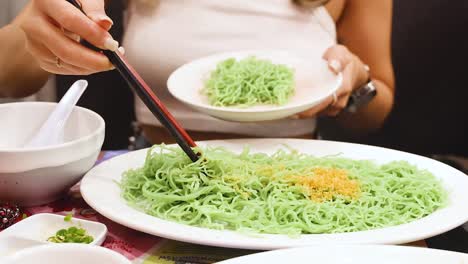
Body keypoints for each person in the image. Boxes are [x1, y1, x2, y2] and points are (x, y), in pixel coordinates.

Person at [1, 0, 394, 144]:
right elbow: (12, 76)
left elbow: (378, 112)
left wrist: (357, 87)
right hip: (154, 171)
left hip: (299, 175)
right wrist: (41, 27)